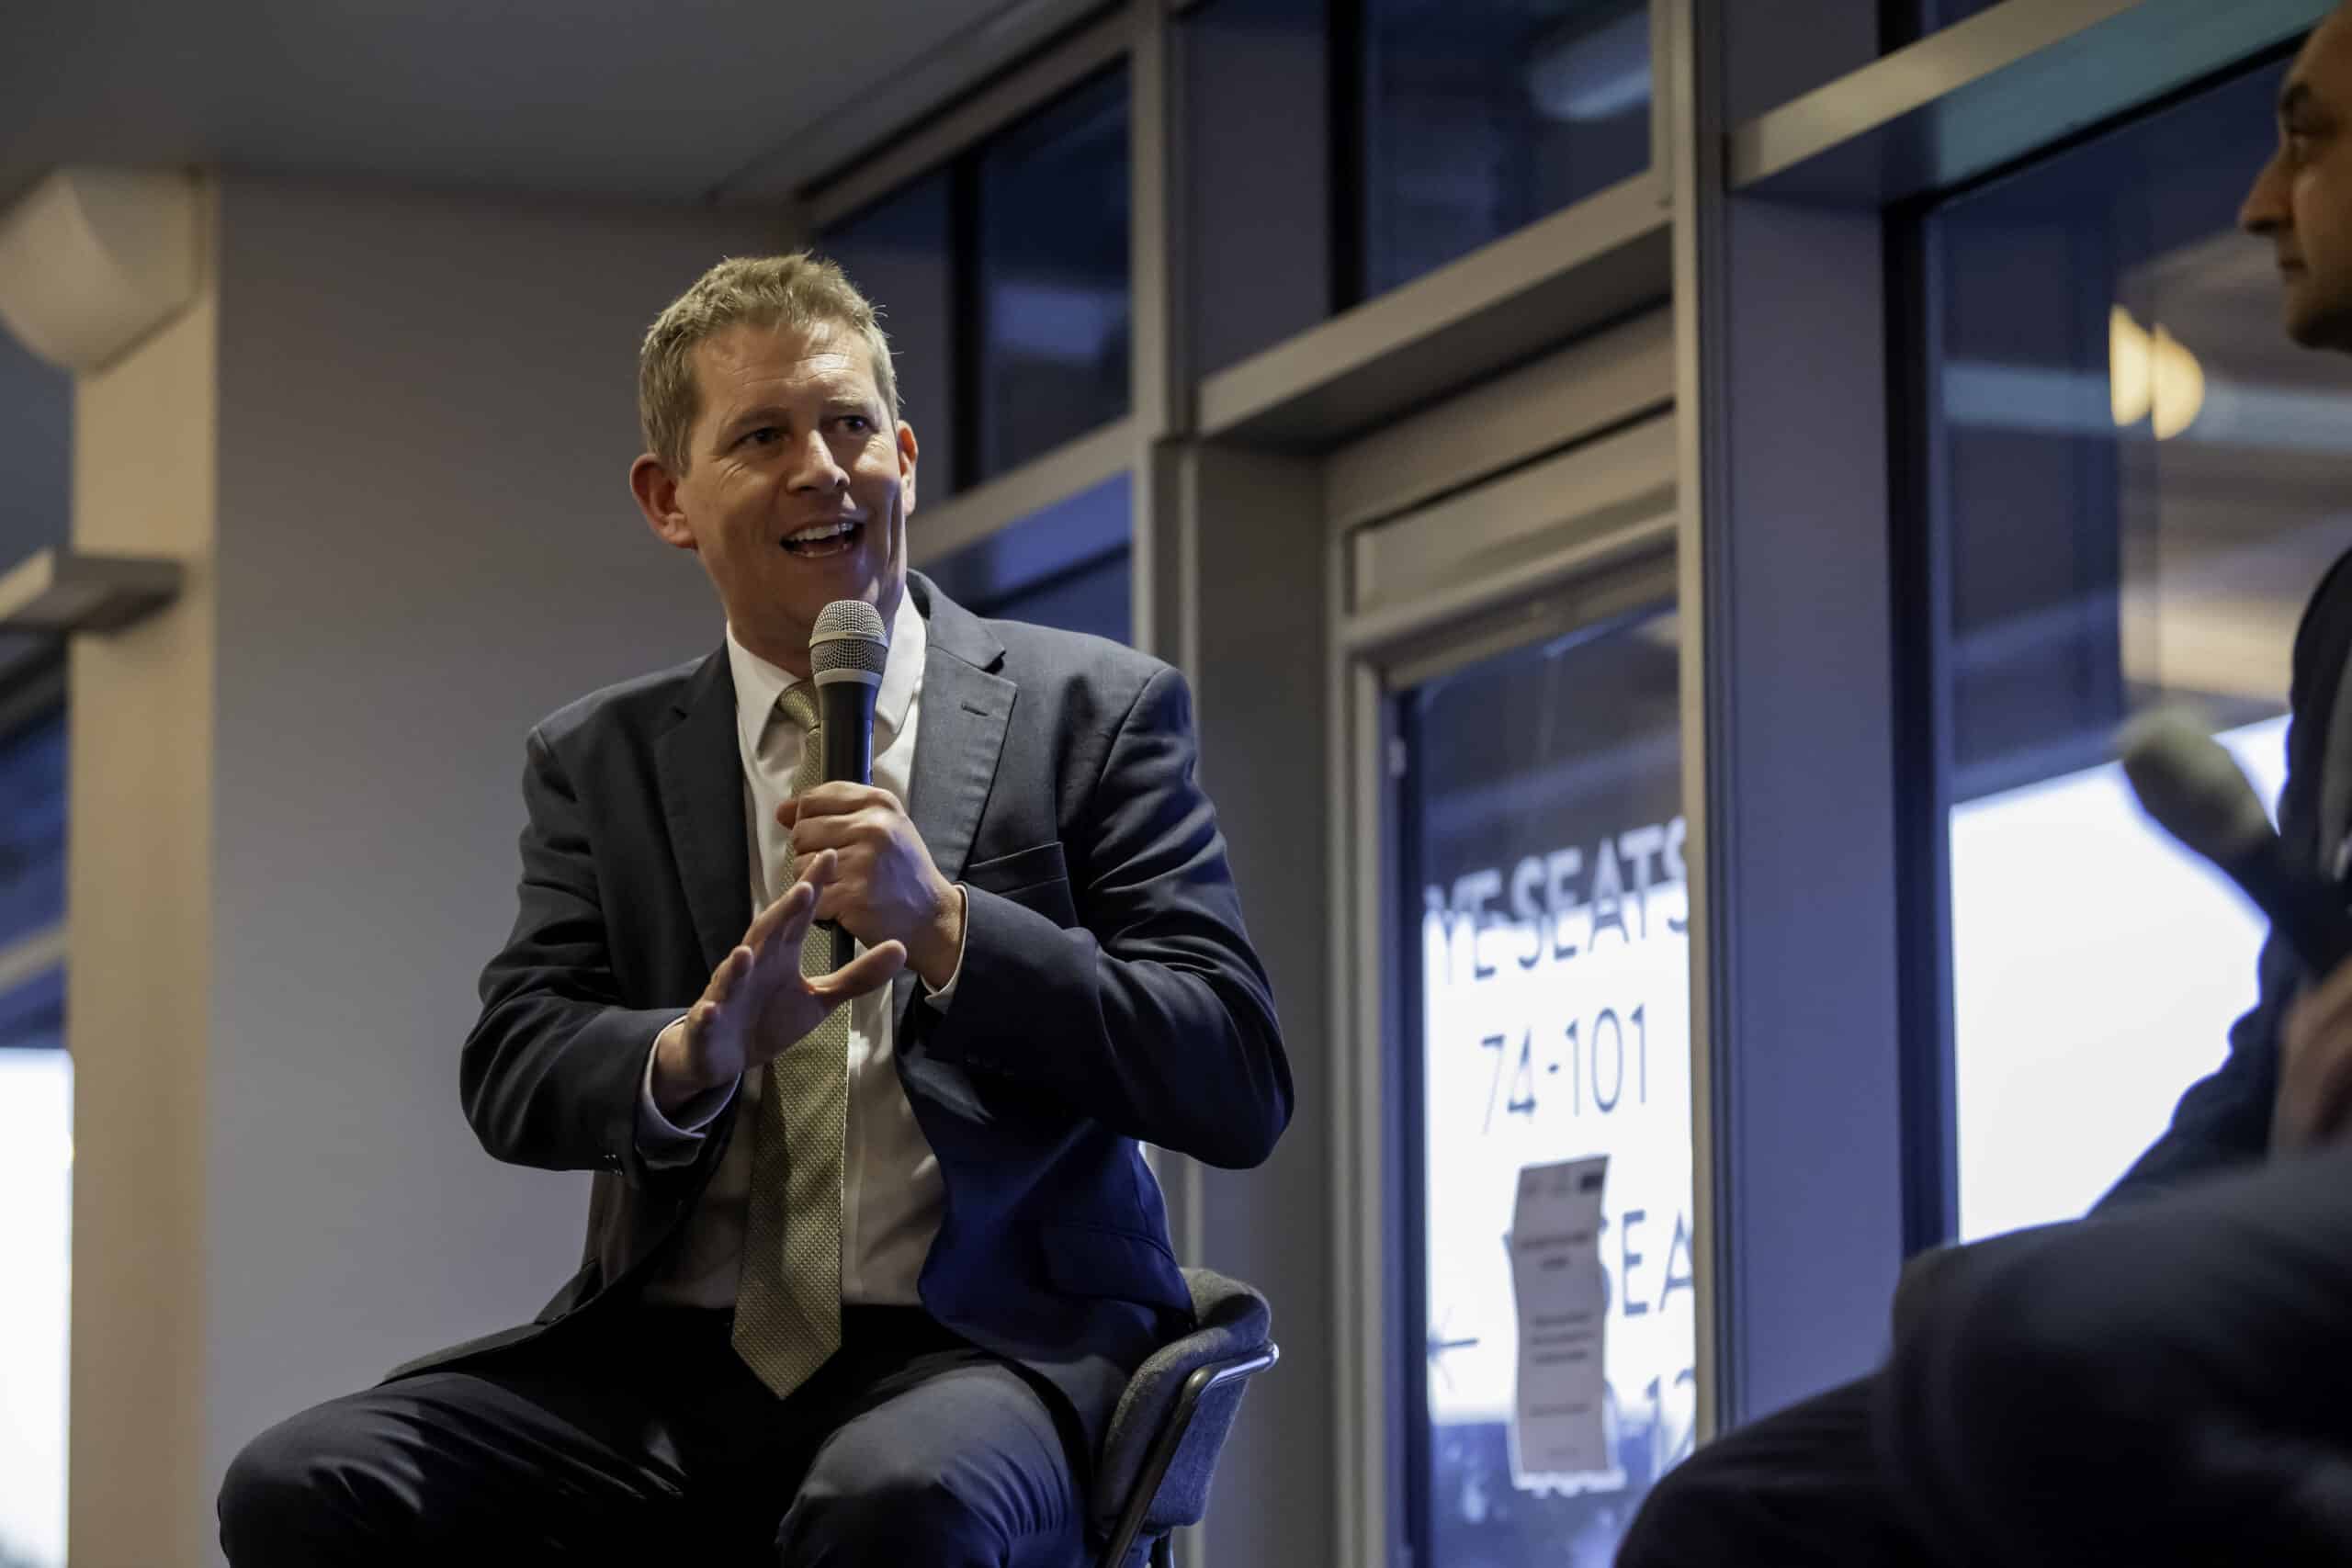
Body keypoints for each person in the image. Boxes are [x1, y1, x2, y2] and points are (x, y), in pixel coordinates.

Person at [215, 253, 1293, 1566]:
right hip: (669, 1358)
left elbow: (1233, 1075)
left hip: (985, 1348)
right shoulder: (599, 757)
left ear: (904, 451)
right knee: (301, 1483)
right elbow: (514, 1066)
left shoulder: (1093, 714)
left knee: (894, 1507)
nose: (823, 469)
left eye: (850, 427)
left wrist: (949, 926)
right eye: (765, 436)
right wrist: (693, 1054)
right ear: (670, 500)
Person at [1620, 11, 2352, 1566]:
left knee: (2044, 1357)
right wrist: (2092, 1250)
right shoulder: (2349, 615)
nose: (2258, 203)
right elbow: (2283, 1037)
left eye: (2310, 137)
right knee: (1730, 1525)